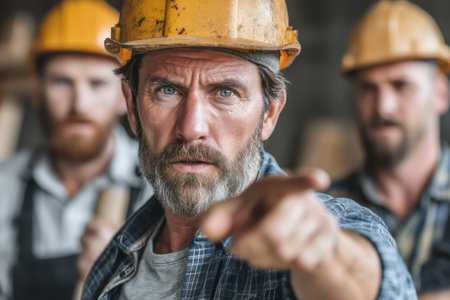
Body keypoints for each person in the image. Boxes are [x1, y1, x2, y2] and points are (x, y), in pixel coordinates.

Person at [82, 0, 417, 299]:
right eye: (167, 89)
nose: (192, 127)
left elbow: (368, 282)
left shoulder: (320, 233)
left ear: (269, 113)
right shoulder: (116, 260)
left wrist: (323, 251)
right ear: (131, 105)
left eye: (225, 92)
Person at [0, 0, 153, 299]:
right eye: (62, 81)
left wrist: (128, 277)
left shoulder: (161, 189)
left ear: (125, 95)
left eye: (96, 84)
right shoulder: (4, 186)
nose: (78, 105)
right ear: (36, 87)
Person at [328, 0, 450, 299]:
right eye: (368, 89)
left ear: (441, 94)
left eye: (400, 85)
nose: (383, 106)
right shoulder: (325, 211)